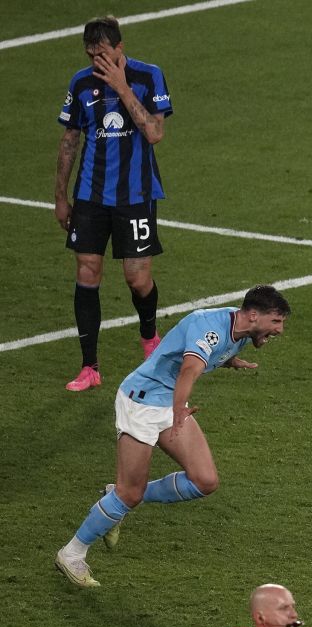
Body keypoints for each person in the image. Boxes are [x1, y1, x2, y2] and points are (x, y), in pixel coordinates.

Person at [54, 286, 291, 588]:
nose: (279, 330)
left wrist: (228, 360)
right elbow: (189, 371)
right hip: (142, 402)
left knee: (204, 481)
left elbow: (199, 354)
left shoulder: (241, 329)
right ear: (255, 315)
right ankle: (71, 553)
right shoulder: (211, 330)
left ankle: (116, 498)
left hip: (168, 402)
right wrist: (179, 410)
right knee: (130, 493)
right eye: (276, 322)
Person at [55, 16, 173, 392]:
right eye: (91, 55)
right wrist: (60, 196)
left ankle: (149, 335)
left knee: (137, 279)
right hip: (90, 196)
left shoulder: (148, 77)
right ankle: (89, 366)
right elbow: (70, 140)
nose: (96, 62)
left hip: (135, 196)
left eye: (103, 53)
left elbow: (154, 133)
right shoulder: (81, 83)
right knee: (87, 272)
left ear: (120, 48)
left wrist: (122, 88)